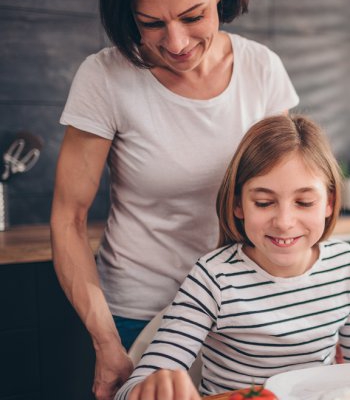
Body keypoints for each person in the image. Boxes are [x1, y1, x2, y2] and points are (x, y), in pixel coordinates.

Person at [49, 0, 299, 398]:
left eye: (193, 16)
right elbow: (68, 219)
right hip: (137, 312)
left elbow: (287, 192)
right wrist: (106, 342)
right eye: (151, 24)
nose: (177, 42)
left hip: (239, 308)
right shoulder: (105, 76)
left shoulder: (261, 68)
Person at [114, 114, 350, 399]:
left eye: (304, 202)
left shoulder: (344, 265)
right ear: (238, 204)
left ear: (329, 202)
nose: (284, 221)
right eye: (264, 202)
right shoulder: (214, 278)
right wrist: (153, 388)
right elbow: (131, 388)